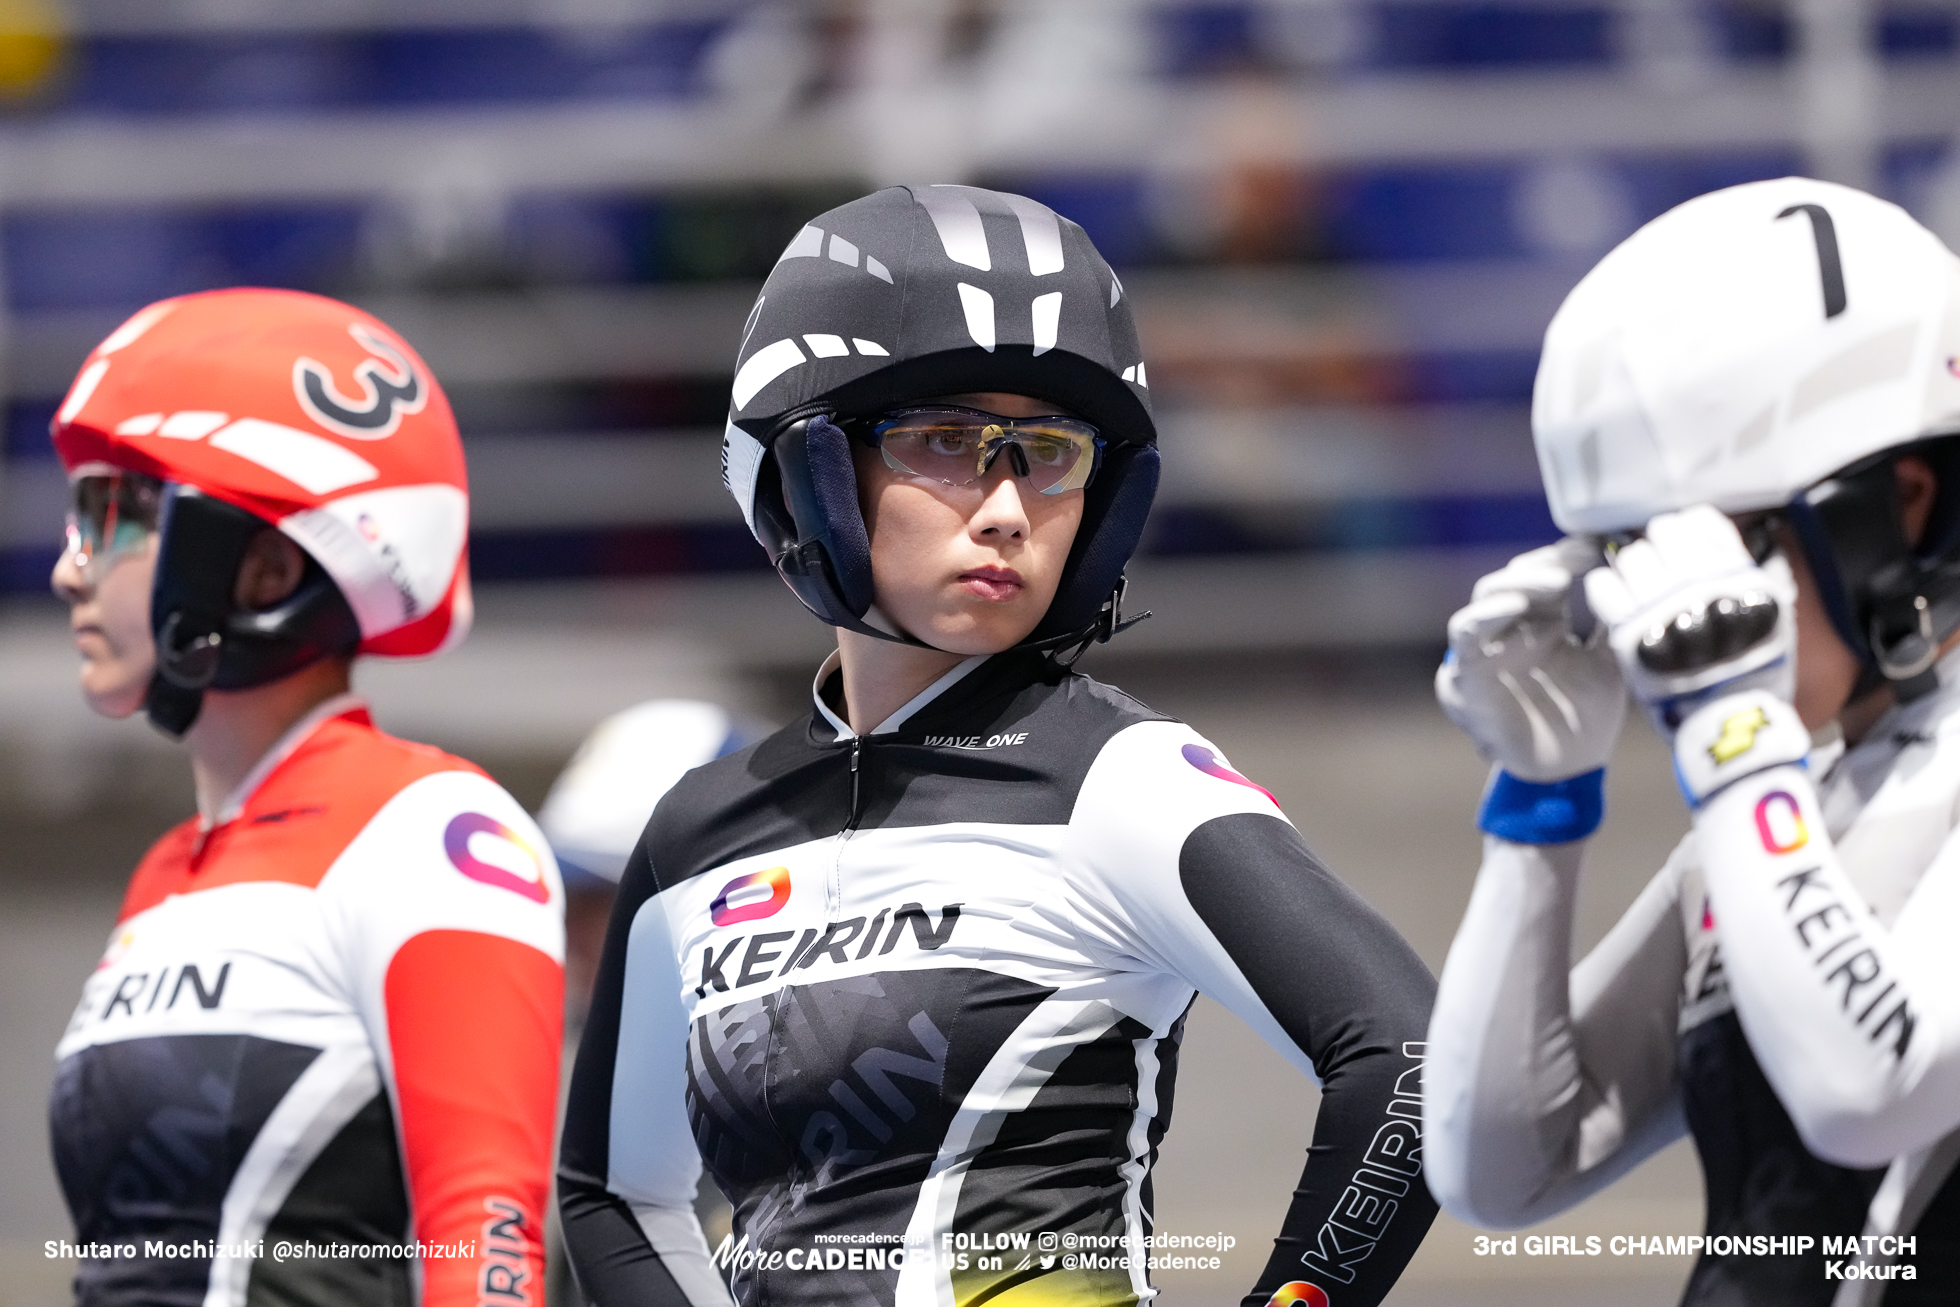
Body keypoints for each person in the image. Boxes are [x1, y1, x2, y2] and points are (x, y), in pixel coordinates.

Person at [557, 184, 1437, 1307]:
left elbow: (1406, 1066)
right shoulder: (695, 826)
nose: (1011, 507)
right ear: (808, 473)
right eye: (947, 441)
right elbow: (615, 1192)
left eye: (1050, 451)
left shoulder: (1119, 775)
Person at [1424, 177, 1960, 1305]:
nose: (1650, 607)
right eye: (1625, 550)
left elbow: (1876, 1090)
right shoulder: (1785, 798)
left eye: (1711, 542)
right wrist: (1538, 799)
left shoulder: (1761, 783)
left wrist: (1736, 739)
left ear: (1899, 504)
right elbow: (1502, 1166)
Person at [46, 288, 565, 1307]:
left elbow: (486, 1239)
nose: (69, 568)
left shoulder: (436, 828)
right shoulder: (164, 872)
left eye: (111, 516)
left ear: (265, 562)